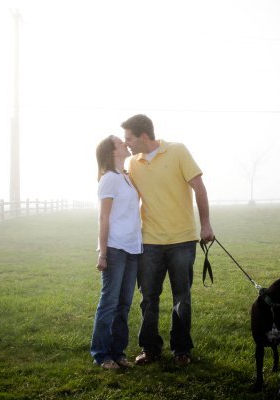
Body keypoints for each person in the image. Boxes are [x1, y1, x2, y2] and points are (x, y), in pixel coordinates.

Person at [122, 114, 215, 366]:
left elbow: (199, 187)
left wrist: (205, 224)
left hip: (182, 240)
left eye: (128, 138)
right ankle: (150, 349)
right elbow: (127, 199)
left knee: (181, 298)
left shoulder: (177, 151)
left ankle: (181, 349)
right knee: (148, 298)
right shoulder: (131, 163)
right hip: (149, 242)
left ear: (143, 136)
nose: (126, 143)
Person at [90, 135, 142, 370]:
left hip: (132, 248)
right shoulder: (109, 179)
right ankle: (102, 354)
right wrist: (102, 252)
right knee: (109, 302)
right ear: (112, 152)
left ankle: (118, 352)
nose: (125, 143)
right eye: (120, 142)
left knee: (124, 304)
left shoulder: (126, 177)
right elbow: (103, 217)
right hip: (115, 248)